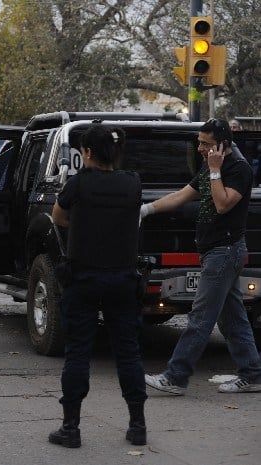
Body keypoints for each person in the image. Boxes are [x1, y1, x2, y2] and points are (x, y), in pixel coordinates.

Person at [143, 118, 261, 394]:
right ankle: (252, 374)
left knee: (200, 317)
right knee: (232, 319)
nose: (199, 148)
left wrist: (216, 170)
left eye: (205, 144)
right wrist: (146, 210)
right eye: (199, 142)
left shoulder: (238, 169)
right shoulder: (209, 167)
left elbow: (222, 205)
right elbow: (181, 196)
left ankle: (175, 377)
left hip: (225, 252)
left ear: (222, 145)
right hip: (213, 252)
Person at [49, 125, 147, 448]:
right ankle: (137, 425)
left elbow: (58, 217)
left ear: (88, 152)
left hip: (84, 279)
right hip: (122, 279)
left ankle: (71, 427)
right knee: (128, 352)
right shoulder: (132, 183)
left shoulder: (78, 184)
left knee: (78, 352)